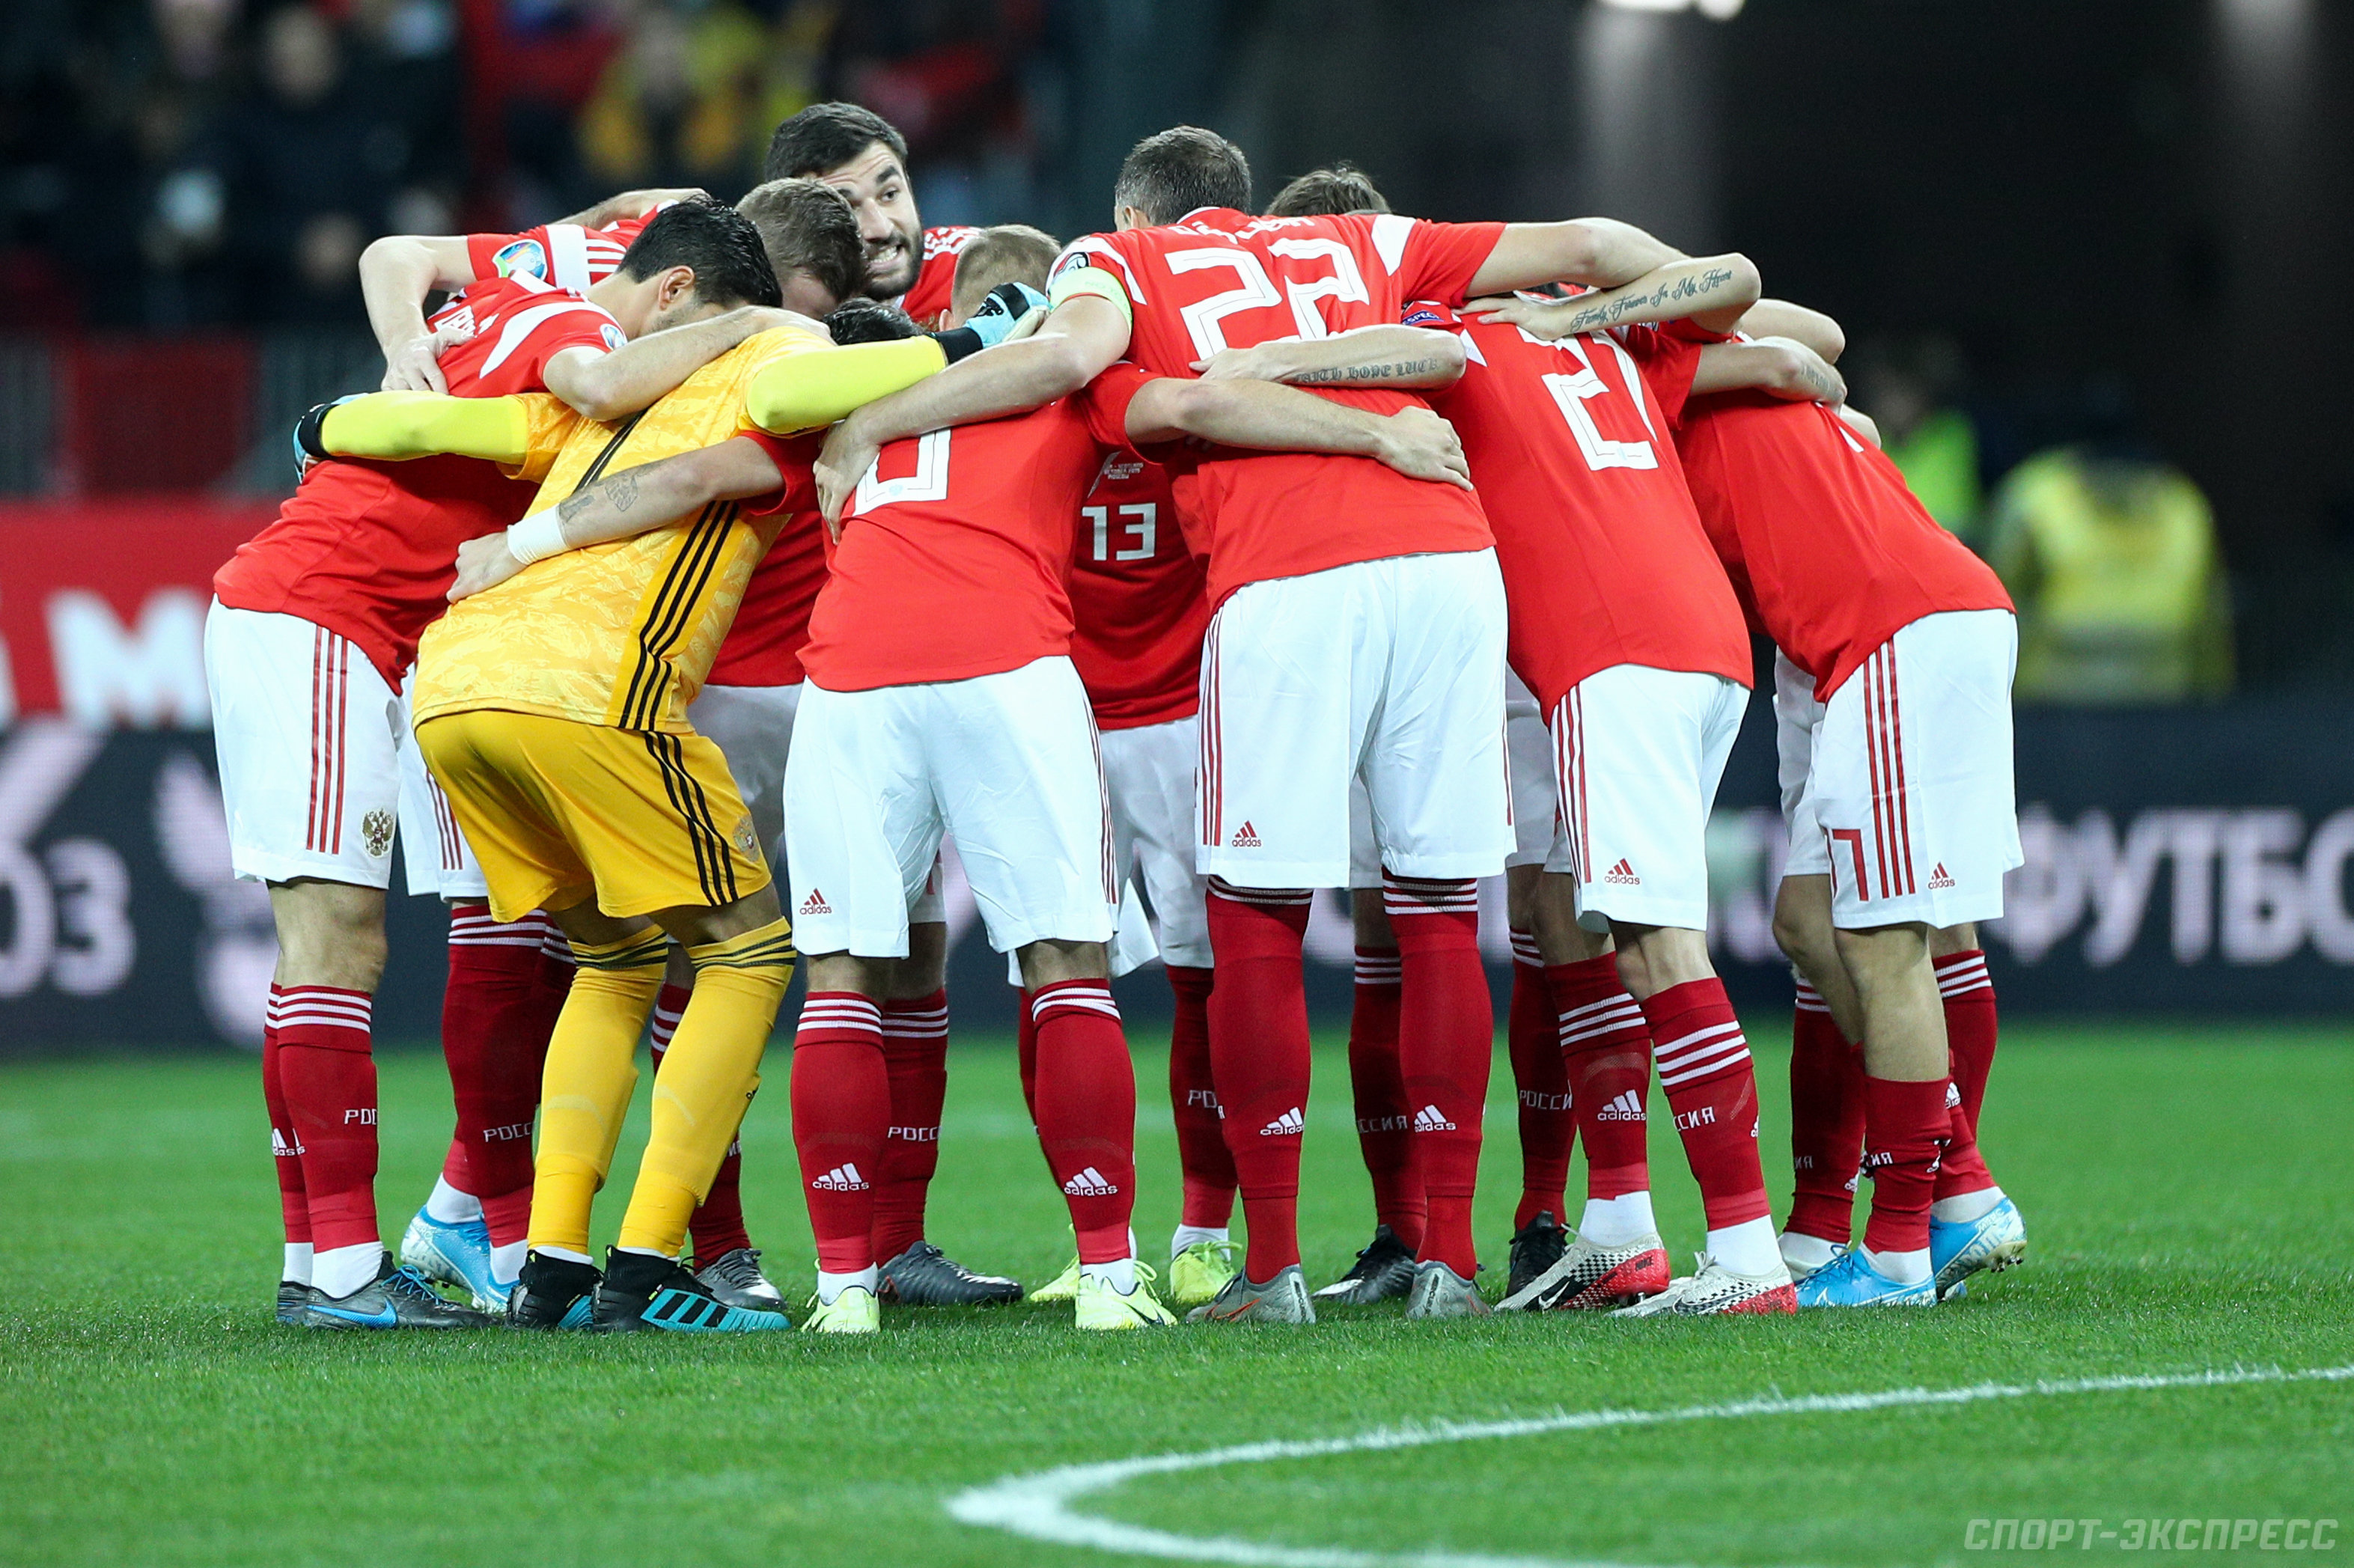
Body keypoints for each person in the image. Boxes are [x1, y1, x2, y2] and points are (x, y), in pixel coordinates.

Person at [810, 124, 1759, 1322]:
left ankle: (1269, 1263)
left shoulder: (1115, 259)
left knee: (1254, 923)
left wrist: (875, 419)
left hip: (1283, 572)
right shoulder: (1360, 240)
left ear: (1136, 216)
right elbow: (1590, 255)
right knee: (1436, 910)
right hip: (1447, 555)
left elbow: (1081, 365)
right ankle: (1445, 1258)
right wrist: (1568, 325)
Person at [445, 271, 1475, 1332]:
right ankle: (1108, 1276)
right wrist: (1374, 433)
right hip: (1006, 665)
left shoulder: (837, 408)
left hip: (850, 682)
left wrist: (524, 542)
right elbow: (1196, 403)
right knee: (1064, 962)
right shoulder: (1063, 385)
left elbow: (689, 474)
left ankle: (845, 1288)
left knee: (841, 974)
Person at [306, 201, 947, 1332]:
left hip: (454, 692)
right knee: (749, 953)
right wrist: (973, 340)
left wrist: (326, 427)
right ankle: (646, 1265)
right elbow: (732, 450)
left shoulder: (591, 401)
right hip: (594, 692)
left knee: (613, 956)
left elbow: (419, 427)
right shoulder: (777, 373)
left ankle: (551, 1262)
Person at [1662, 311, 2028, 1308]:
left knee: (1886, 939)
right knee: (1811, 922)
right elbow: (1826, 377)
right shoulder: (1716, 380)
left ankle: (1910, 1242)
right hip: (1853, 637)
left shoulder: (1664, 372)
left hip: (1895, 624)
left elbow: (1801, 341)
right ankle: (1937, 1190)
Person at [764, 100, 980, 326]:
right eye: (846, 208)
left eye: (889, 194)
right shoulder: (771, 316)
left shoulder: (976, 270)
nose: (881, 229)